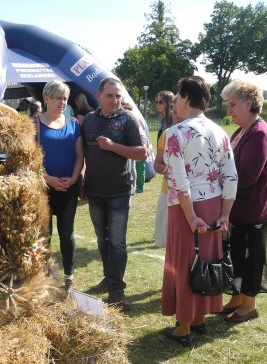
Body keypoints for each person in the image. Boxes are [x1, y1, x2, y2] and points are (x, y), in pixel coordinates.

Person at [161, 76, 238, 346]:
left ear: (184, 98)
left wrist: (191, 216)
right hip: (215, 203)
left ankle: (183, 327)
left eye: (177, 97)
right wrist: (225, 213)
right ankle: (199, 319)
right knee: (207, 258)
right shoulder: (220, 131)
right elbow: (231, 176)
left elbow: (181, 182)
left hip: (186, 207)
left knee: (184, 261)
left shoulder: (175, 133)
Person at [81, 77, 148, 307]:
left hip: (119, 191)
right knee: (102, 239)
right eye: (110, 95)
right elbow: (82, 153)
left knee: (117, 242)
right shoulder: (89, 120)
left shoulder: (128, 119)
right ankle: (110, 278)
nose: (115, 99)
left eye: (118, 95)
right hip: (94, 191)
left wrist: (113, 147)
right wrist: (80, 180)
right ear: (99, 96)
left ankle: (117, 292)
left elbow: (142, 153)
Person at [220, 80, 267, 323]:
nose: (229, 110)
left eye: (233, 105)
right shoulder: (242, 130)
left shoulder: (259, 133)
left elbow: (248, 176)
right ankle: (236, 299)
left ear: (248, 103)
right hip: (239, 208)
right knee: (236, 256)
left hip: (253, 210)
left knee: (250, 256)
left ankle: (249, 306)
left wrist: (217, 184)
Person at [38, 81, 84, 292]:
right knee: (44, 234)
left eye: (64, 98)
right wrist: (49, 179)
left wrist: (74, 178)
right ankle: (44, 277)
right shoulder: (33, 124)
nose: (62, 102)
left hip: (68, 187)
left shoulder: (73, 124)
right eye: (57, 97)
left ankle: (68, 278)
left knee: (67, 234)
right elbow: (28, 159)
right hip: (43, 188)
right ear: (46, 98)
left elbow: (79, 155)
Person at [153, 91, 175, 247]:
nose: (157, 105)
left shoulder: (173, 122)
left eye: (160, 102)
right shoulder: (163, 120)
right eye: (156, 101)